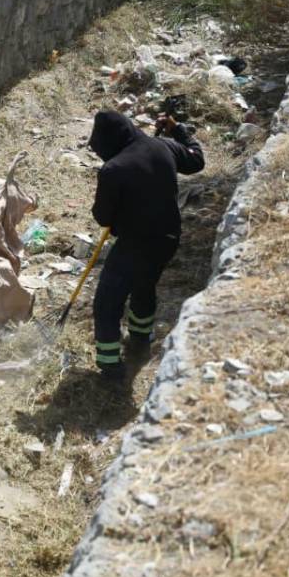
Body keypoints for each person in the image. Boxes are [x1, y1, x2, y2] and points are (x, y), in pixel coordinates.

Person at [87, 110, 205, 379]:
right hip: (168, 239)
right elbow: (196, 160)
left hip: (134, 245)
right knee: (144, 286)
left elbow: (102, 217)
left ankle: (110, 366)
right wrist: (178, 129)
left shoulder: (113, 170)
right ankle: (141, 339)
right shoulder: (163, 146)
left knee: (107, 303)